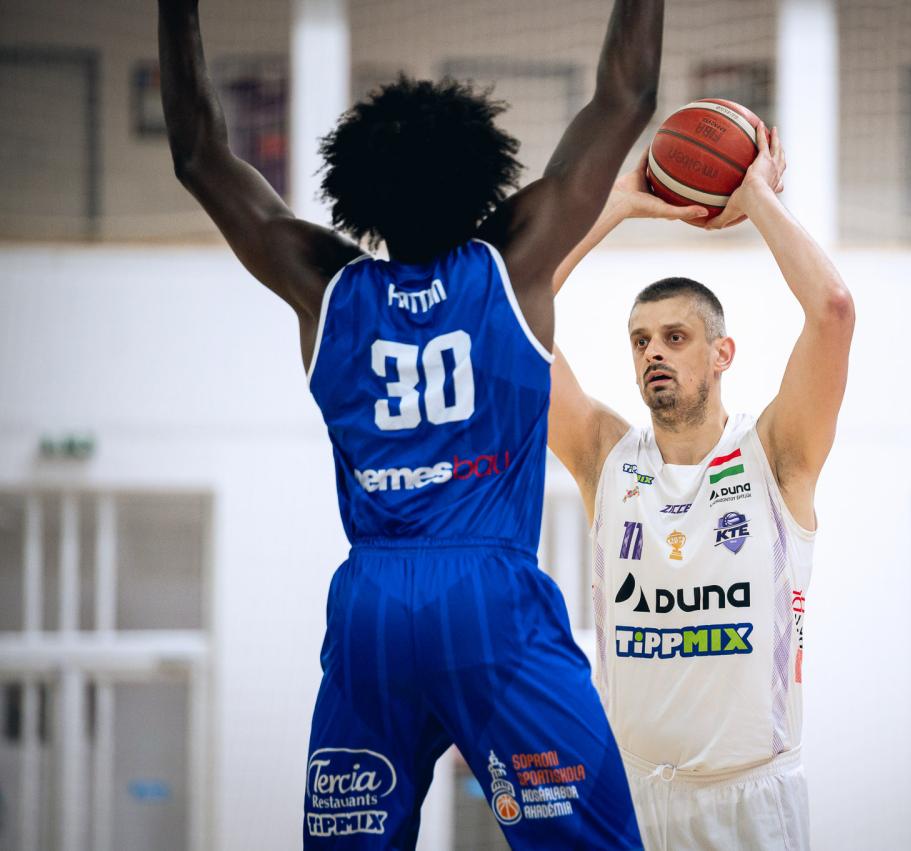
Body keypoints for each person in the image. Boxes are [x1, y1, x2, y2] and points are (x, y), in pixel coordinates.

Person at [158, 0, 665, 846]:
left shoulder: (324, 284)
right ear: (482, 178)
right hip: (489, 601)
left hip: (372, 610)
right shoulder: (514, 260)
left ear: (360, 194)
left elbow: (199, 156)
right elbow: (627, 97)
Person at [547, 123, 855, 849]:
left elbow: (834, 311)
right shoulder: (604, 454)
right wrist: (620, 203)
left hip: (750, 800)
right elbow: (504, 318)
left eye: (675, 337)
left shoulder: (776, 454)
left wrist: (758, 198)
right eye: (640, 340)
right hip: (628, 793)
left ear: (723, 353)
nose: (653, 351)